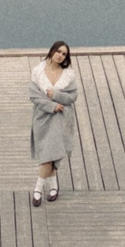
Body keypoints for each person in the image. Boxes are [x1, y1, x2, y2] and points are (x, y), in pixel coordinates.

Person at [28, 41, 77, 205]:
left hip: (61, 119)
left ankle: (37, 190)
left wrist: (55, 94)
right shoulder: (38, 71)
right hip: (43, 118)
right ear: (52, 51)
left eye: (64, 54)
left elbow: (72, 97)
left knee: (50, 154)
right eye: (58, 51)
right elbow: (34, 96)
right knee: (48, 153)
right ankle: (54, 186)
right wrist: (51, 105)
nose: (60, 55)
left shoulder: (68, 74)